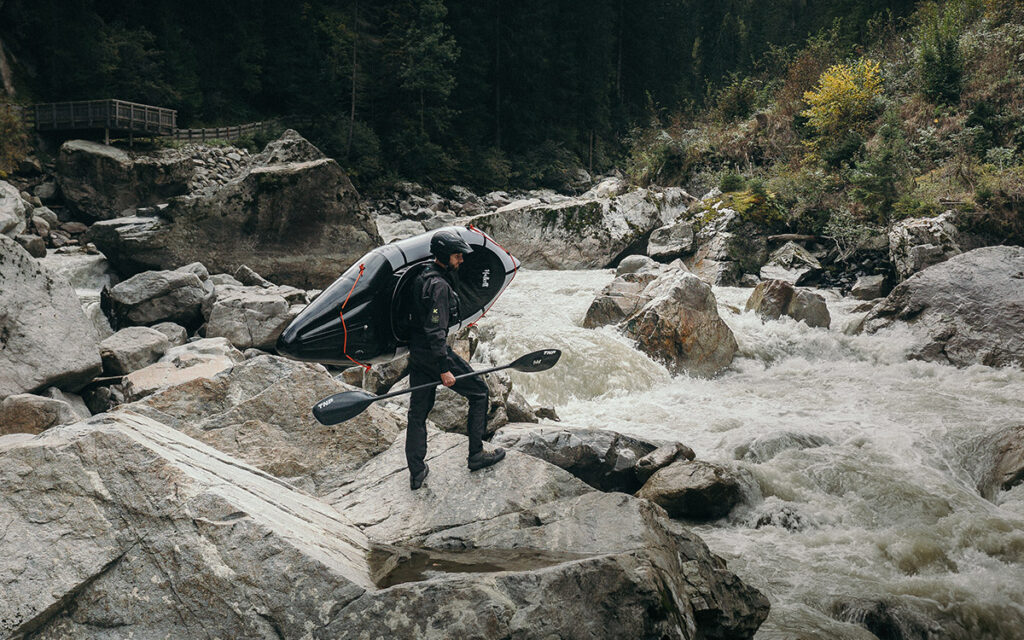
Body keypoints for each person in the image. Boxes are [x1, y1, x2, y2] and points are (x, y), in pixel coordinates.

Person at [405, 230, 505, 490]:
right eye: (457, 256)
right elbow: (435, 330)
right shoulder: (438, 286)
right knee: (480, 392)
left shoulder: (422, 275)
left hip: (416, 353)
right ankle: (476, 454)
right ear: (443, 256)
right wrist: (444, 368)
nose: (461, 260)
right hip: (433, 353)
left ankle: (416, 472)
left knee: (417, 413)